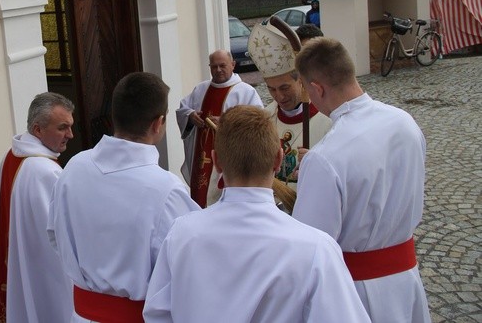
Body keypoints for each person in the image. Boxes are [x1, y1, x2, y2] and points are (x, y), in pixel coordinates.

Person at [143, 106, 370, 322]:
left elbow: (157, 313)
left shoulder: (181, 234)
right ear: (279, 159)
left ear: (217, 162)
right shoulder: (316, 248)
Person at [293, 37, 431, 322]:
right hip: (407, 281)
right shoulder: (404, 122)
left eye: (308, 91)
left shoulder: (324, 157)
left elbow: (310, 248)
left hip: (356, 295)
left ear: (317, 88)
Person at [48, 72, 199, 323]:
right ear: (158, 123)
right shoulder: (167, 190)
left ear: (113, 117)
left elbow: (54, 234)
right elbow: (189, 270)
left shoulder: (73, 169)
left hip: (80, 316)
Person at [0, 92, 75, 323]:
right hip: (38, 272)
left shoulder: (13, 155)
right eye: (62, 127)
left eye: (71, 126)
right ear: (38, 129)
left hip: (16, 263)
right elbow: (57, 241)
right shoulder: (45, 171)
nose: (70, 135)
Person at [247, 23, 331, 188]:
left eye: (285, 88)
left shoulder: (328, 119)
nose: (279, 96)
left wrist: (317, 163)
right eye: (272, 89)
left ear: (301, 81)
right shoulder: (266, 117)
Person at [176, 49, 262, 207]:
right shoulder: (201, 89)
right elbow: (182, 109)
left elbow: (259, 123)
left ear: (233, 65)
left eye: (222, 65)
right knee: (199, 200)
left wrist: (228, 121)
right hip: (201, 158)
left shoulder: (246, 91)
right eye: (214, 66)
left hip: (229, 160)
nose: (218, 70)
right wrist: (190, 116)